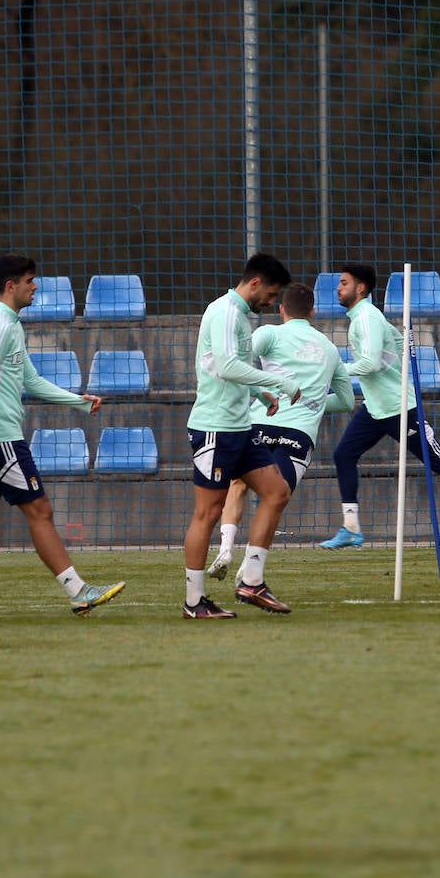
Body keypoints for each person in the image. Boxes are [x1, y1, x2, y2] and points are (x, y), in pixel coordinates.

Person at [0, 254, 126, 615]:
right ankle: (78, 590)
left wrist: (78, 401)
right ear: (11, 286)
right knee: (40, 509)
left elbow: (31, 381)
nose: (35, 286)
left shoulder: (11, 325)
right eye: (29, 280)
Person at [319, 264, 440, 549]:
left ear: (361, 289)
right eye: (339, 283)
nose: (338, 288)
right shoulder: (363, 318)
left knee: (436, 459)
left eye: (344, 283)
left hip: (398, 408)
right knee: (343, 454)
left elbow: (371, 364)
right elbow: (390, 350)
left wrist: (335, 370)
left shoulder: (367, 318)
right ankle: (351, 528)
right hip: (375, 407)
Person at [182, 253, 302, 619]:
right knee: (208, 512)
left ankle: (251, 581)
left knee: (277, 491)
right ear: (254, 283)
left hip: (239, 427)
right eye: (270, 294)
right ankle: (194, 602)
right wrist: (277, 382)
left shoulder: (238, 316)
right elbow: (227, 366)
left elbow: (227, 369)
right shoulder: (225, 312)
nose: (272, 303)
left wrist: (258, 394)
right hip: (214, 428)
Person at [209, 282, 355, 581]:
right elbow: (347, 401)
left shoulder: (268, 333)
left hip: (258, 425)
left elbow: (237, 365)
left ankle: (225, 549)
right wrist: (312, 404)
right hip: (298, 435)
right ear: (313, 312)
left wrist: (263, 390)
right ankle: (250, 569)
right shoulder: (329, 349)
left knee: (237, 486)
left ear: (281, 309)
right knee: (273, 500)